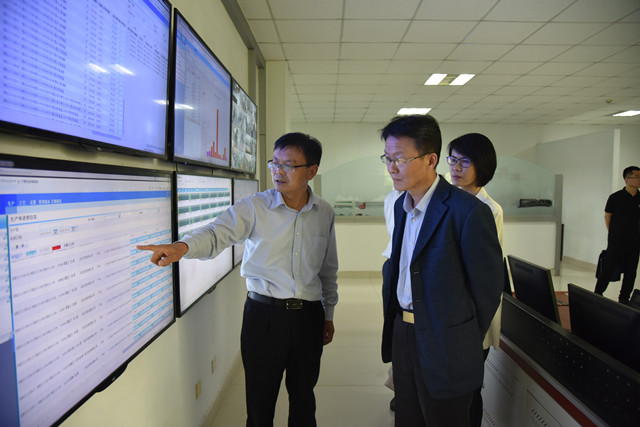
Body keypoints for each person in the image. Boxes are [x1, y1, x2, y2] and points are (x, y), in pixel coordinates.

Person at [137, 132, 339, 427]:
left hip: (309, 316)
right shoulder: (255, 207)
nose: (278, 171)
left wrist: (328, 314)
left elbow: (328, 270)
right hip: (264, 316)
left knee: (304, 400)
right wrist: (183, 247)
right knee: (259, 404)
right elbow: (217, 233)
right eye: (275, 163)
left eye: (288, 165)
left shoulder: (324, 213)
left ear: (311, 171)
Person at [379, 114, 503, 427]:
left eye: (400, 159)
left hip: (445, 341)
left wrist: (460, 338)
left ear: (431, 159)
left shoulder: (468, 212)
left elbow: (487, 290)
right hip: (403, 332)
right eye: (387, 158)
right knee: (407, 417)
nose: (392, 167)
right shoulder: (400, 206)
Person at [447, 133, 504, 427]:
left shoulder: (489, 209)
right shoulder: (449, 202)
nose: (456, 167)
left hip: (472, 315)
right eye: (453, 160)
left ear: (482, 164)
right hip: (451, 313)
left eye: (465, 161)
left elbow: (486, 273)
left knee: (470, 388)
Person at [594, 166, 640, 304]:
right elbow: (607, 217)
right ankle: (597, 293)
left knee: (631, 271)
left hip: (635, 241)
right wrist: (613, 233)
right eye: (637, 177)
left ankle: (624, 298)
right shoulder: (615, 197)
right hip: (617, 240)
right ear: (627, 179)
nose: (639, 179)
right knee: (608, 268)